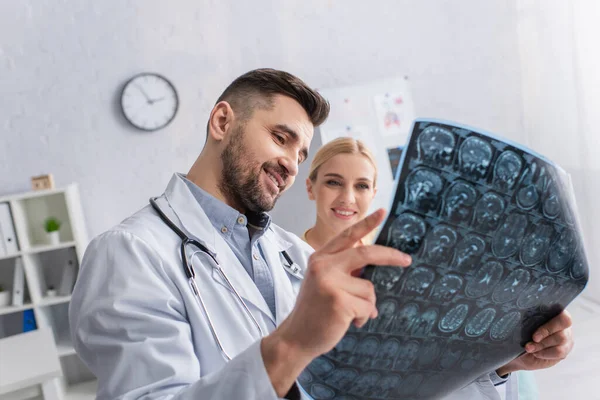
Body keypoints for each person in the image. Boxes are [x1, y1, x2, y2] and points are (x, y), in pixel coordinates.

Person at [68, 68, 572, 400]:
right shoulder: (130, 253)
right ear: (223, 120)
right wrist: (291, 345)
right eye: (280, 137)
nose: (290, 162)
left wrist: (500, 365)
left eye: (301, 152)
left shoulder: (293, 254)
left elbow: (372, 383)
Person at [302, 137, 574, 399]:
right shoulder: (288, 267)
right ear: (310, 188)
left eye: (361, 186)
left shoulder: (400, 260)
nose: (348, 197)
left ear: (373, 193)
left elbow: (435, 359)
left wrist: (510, 362)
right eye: (333, 182)